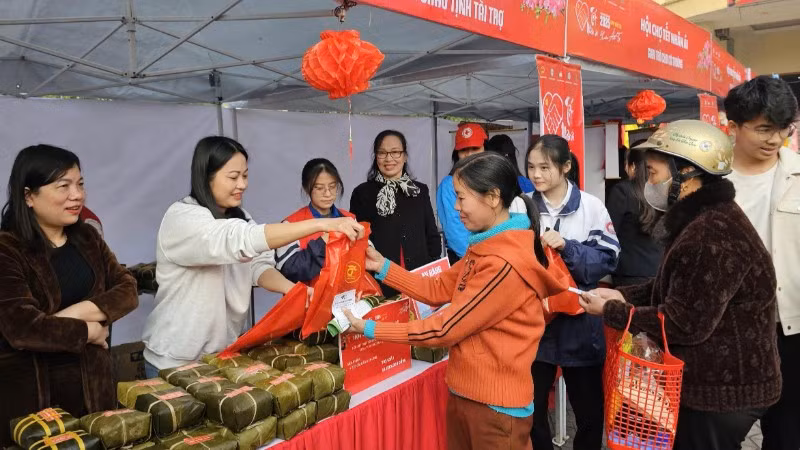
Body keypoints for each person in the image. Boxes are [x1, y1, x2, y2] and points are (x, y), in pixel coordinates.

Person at [343, 152, 568, 450]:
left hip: (495, 408)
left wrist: (369, 328)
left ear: (493, 197)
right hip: (469, 396)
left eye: (461, 198)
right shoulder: (485, 246)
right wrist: (381, 265)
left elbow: (443, 329)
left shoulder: (503, 263)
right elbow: (437, 287)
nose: (456, 208)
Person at [580, 120, 782, 450]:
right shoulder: (705, 219)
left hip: (722, 392)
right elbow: (677, 288)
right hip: (716, 385)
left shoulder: (710, 234)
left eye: (654, 173)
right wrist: (620, 293)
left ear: (686, 173)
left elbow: (685, 322)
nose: (649, 183)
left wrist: (613, 311)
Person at [142, 137, 363, 375]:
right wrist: (322, 224)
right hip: (175, 359)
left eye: (245, 176)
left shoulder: (241, 216)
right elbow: (240, 240)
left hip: (222, 354)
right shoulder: (183, 218)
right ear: (206, 176)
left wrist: (294, 291)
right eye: (233, 177)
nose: (242, 184)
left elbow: (258, 266)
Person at [0, 145, 139, 446]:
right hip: (36, 399)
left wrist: (71, 315)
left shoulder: (87, 237)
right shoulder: (7, 250)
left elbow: (127, 290)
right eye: (63, 186)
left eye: (80, 184)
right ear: (29, 196)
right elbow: (22, 329)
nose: (77, 195)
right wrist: (89, 331)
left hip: (95, 391)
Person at [525, 135, 619, 450]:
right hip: (536, 323)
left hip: (581, 321)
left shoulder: (591, 206)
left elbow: (607, 260)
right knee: (532, 412)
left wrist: (568, 246)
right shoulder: (521, 206)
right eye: (531, 167)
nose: (536, 174)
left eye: (544, 167)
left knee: (589, 414)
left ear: (566, 166)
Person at [724, 75, 799, 450]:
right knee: (719, 429)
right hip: (728, 330)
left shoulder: (798, 175)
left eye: (785, 129)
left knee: (787, 433)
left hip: (791, 327)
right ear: (733, 126)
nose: (776, 139)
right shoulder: (707, 179)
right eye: (764, 129)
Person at [350, 130, 441, 297]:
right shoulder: (362, 193)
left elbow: (431, 234)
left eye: (395, 152)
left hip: (418, 277)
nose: (389, 158)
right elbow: (358, 240)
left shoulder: (419, 191)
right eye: (382, 153)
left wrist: (432, 266)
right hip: (379, 281)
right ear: (376, 157)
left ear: (405, 156)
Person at [275, 158, 355, 283]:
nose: (327, 194)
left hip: (346, 293)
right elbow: (290, 271)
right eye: (319, 188)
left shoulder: (350, 219)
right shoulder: (291, 224)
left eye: (332, 186)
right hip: (309, 295)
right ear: (307, 188)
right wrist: (322, 243)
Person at [607, 140, 664, 286]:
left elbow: (609, 232)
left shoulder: (623, 191)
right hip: (659, 271)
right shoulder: (665, 191)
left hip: (628, 274)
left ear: (632, 166)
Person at [438, 123, 487, 264]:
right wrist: (478, 260)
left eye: (475, 148)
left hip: (494, 255)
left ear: (485, 149)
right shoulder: (449, 185)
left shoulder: (492, 178)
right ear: (456, 153)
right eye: (464, 150)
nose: (469, 154)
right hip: (466, 259)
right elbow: (455, 232)